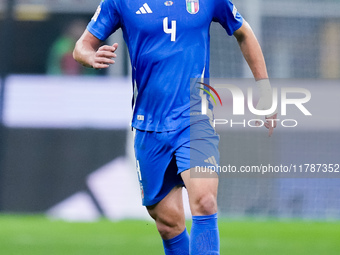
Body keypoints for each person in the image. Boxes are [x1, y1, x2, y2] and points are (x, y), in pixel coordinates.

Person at [73, 0, 277, 254]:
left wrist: (264, 90)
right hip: (148, 125)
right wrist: (90, 56)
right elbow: (81, 46)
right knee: (168, 223)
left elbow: (243, 32)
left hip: (195, 118)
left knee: (204, 200)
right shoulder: (120, 2)